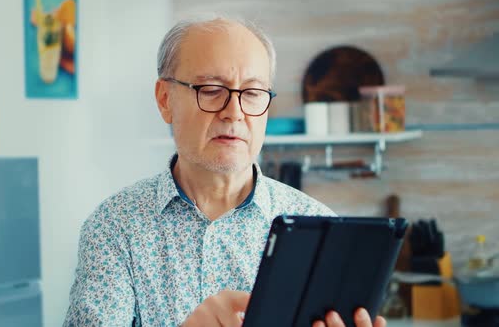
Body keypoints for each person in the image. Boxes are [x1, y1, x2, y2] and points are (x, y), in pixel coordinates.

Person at [64, 17, 387, 327]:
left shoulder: (319, 228)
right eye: (210, 89)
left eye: (252, 93)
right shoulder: (114, 228)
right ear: (165, 99)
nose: (234, 113)